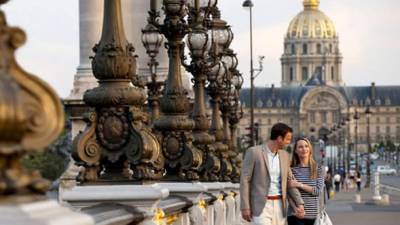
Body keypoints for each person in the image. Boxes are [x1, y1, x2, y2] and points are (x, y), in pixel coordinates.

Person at [240, 123, 304, 225]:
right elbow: (244, 180)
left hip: (280, 205)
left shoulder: (285, 156)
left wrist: (299, 203)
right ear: (279, 138)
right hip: (260, 206)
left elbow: (290, 181)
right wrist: (245, 206)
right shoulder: (254, 152)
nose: (289, 142)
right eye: (287, 139)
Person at [287, 137, 325, 225]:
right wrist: (295, 209)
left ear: (310, 149)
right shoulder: (291, 170)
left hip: (314, 217)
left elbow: (318, 191)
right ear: (296, 151)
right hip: (295, 215)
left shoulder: (318, 169)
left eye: (306, 146)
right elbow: (288, 193)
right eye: (300, 147)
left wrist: (299, 184)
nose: (304, 149)